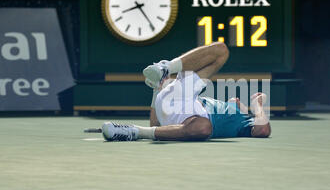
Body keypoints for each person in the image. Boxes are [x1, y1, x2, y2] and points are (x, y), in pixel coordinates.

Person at [102, 42, 271, 141]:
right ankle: (165, 68)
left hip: (182, 118)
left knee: (203, 127)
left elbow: (156, 126)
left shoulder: (244, 122)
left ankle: (134, 131)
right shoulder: (201, 103)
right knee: (221, 50)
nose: (235, 99)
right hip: (183, 98)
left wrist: (257, 107)